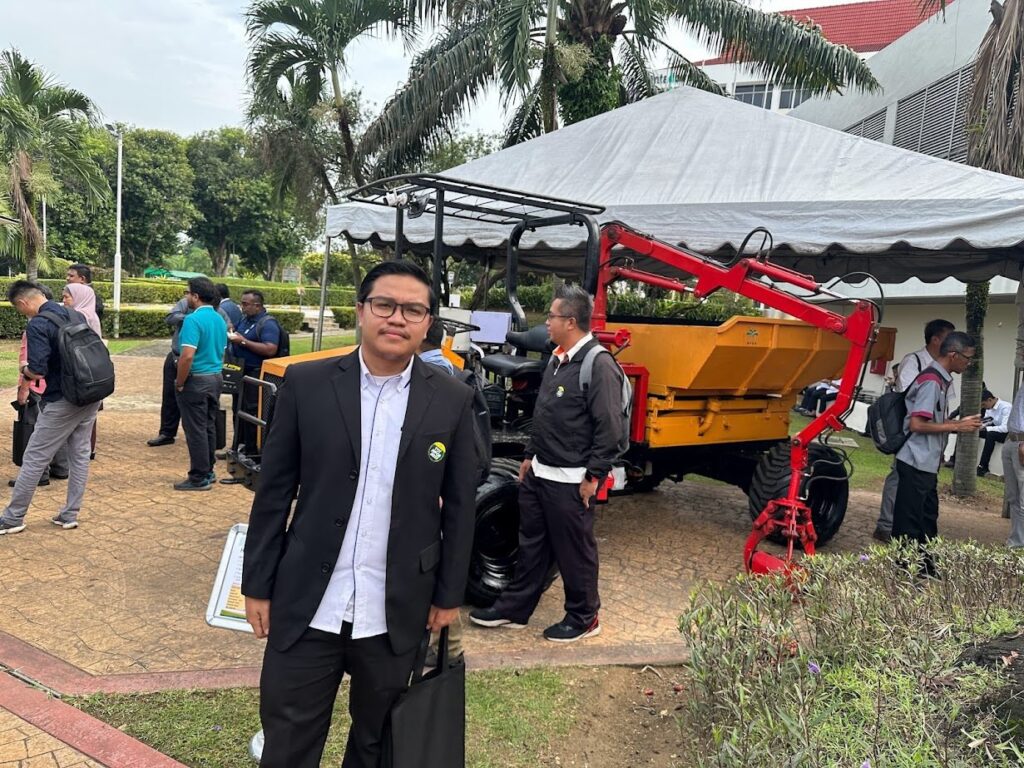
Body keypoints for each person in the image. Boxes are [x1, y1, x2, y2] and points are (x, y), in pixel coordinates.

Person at [241, 261, 477, 768]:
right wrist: (257, 584)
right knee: (287, 744)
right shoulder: (307, 384)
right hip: (309, 603)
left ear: (427, 321)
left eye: (413, 309)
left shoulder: (453, 399)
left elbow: (460, 508)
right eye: (384, 305)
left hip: (397, 606)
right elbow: (274, 493)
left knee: (378, 743)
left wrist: (448, 597)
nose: (397, 318)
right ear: (361, 311)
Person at [470, 284, 627, 642]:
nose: (547, 323)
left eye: (552, 317)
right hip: (540, 472)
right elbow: (545, 416)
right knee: (532, 546)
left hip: (571, 480)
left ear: (570, 321)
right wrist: (529, 456)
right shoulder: (557, 360)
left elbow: (610, 428)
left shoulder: (598, 365)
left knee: (574, 551)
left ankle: (584, 617)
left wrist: (594, 476)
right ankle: (514, 608)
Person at [0, 281, 102, 535]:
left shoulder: (38, 324)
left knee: (35, 456)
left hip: (63, 398)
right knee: (80, 454)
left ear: (22, 303)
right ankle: (69, 514)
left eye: (19, 309)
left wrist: (24, 369)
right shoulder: (74, 314)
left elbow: (37, 370)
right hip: (90, 391)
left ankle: (13, 518)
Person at [891, 331, 981, 575]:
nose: (968, 363)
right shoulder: (931, 381)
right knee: (910, 519)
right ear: (953, 355)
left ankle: (926, 565)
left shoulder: (940, 379)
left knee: (927, 516)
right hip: (915, 460)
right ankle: (906, 569)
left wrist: (957, 424)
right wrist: (957, 426)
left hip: (926, 462)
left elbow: (932, 421)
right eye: (967, 358)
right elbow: (917, 424)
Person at [873, 319, 956, 543]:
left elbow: (943, 405)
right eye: (948, 337)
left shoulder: (944, 369)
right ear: (935, 339)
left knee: (921, 489)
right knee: (900, 478)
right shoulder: (916, 361)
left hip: (932, 436)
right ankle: (887, 524)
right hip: (911, 436)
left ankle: (911, 532)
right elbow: (912, 398)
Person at [173, 278, 227, 491]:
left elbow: (187, 356)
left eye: (188, 293)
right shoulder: (219, 318)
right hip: (215, 376)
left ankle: (199, 476)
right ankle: (209, 469)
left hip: (197, 379)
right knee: (208, 425)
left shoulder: (192, 320)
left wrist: (180, 382)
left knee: (195, 429)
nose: (186, 296)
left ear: (196, 296)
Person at [224, 290, 281, 469]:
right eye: (242, 303)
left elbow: (270, 349)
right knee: (238, 409)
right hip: (240, 371)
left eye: (246, 304)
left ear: (257, 305)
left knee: (251, 412)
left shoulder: (268, 323)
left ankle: (251, 452)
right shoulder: (245, 319)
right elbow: (237, 332)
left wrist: (243, 342)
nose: (242, 307)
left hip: (256, 374)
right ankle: (238, 446)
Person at [63, 283, 103, 460]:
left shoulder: (80, 317)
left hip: (82, 375)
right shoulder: (91, 315)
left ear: (79, 298)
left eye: (67, 297)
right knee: (87, 421)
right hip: (95, 374)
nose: (64, 301)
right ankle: (86, 452)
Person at [146, 290, 190, 447]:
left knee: (193, 399)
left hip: (196, 359)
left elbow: (227, 325)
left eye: (189, 292)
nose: (186, 295)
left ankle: (197, 437)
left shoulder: (215, 309)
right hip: (176, 355)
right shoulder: (185, 303)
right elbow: (170, 317)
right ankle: (167, 432)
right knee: (169, 396)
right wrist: (189, 318)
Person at [1001, 384, 1024, 548]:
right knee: (1013, 497)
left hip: (1021, 442)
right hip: (1011, 440)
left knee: (1022, 499)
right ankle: (1016, 542)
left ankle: (1019, 544)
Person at [976, 390, 1011, 476]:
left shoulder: (1006, 407)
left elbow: (1005, 428)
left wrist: (986, 429)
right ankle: (955, 459)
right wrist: (980, 426)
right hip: (996, 430)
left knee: (990, 434)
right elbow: (988, 420)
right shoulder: (989, 407)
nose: (983, 407)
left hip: (1009, 434)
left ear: (990, 400)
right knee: (972, 431)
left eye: (984, 404)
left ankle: (983, 466)